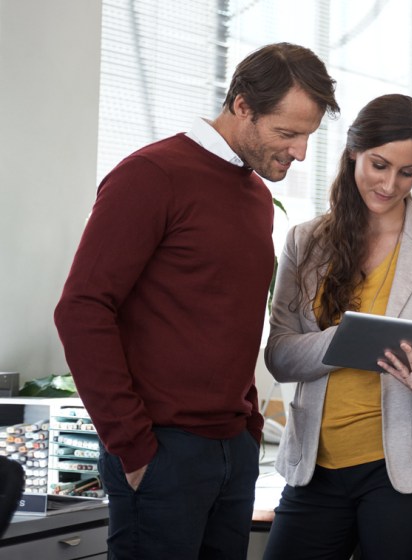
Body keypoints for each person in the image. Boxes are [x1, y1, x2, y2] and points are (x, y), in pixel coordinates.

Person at [53, 43, 339, 559]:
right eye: (288, 133)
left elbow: (228, 327)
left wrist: (249, 427)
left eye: (308, 136)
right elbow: (82, 309)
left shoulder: (255, 199)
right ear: (243, 106)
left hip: (232, 450)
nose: (300, 152)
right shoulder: (151, 175)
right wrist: (133, 446)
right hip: (161, 452)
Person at [261, 93, 412, 560]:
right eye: (379, 165)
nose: (390, 184)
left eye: (408, 172)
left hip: (406, 472)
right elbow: (279, 355)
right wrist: (341, 341)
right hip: (314, 470)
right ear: (354, 151)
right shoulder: (306, 240)